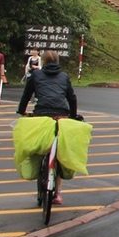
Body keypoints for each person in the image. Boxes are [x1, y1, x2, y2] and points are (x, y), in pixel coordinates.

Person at [16, 50, 78, 204]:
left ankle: (40, 172)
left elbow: (26, 94)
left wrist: (22, 110)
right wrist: (73, 116)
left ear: (42, 62)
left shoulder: (36, 76)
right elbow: (72, 98)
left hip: (41, 114)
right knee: (59, 152)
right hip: (61, 115)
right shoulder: (64, 76)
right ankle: (57, 193)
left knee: (38, 147)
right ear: (57, 62)